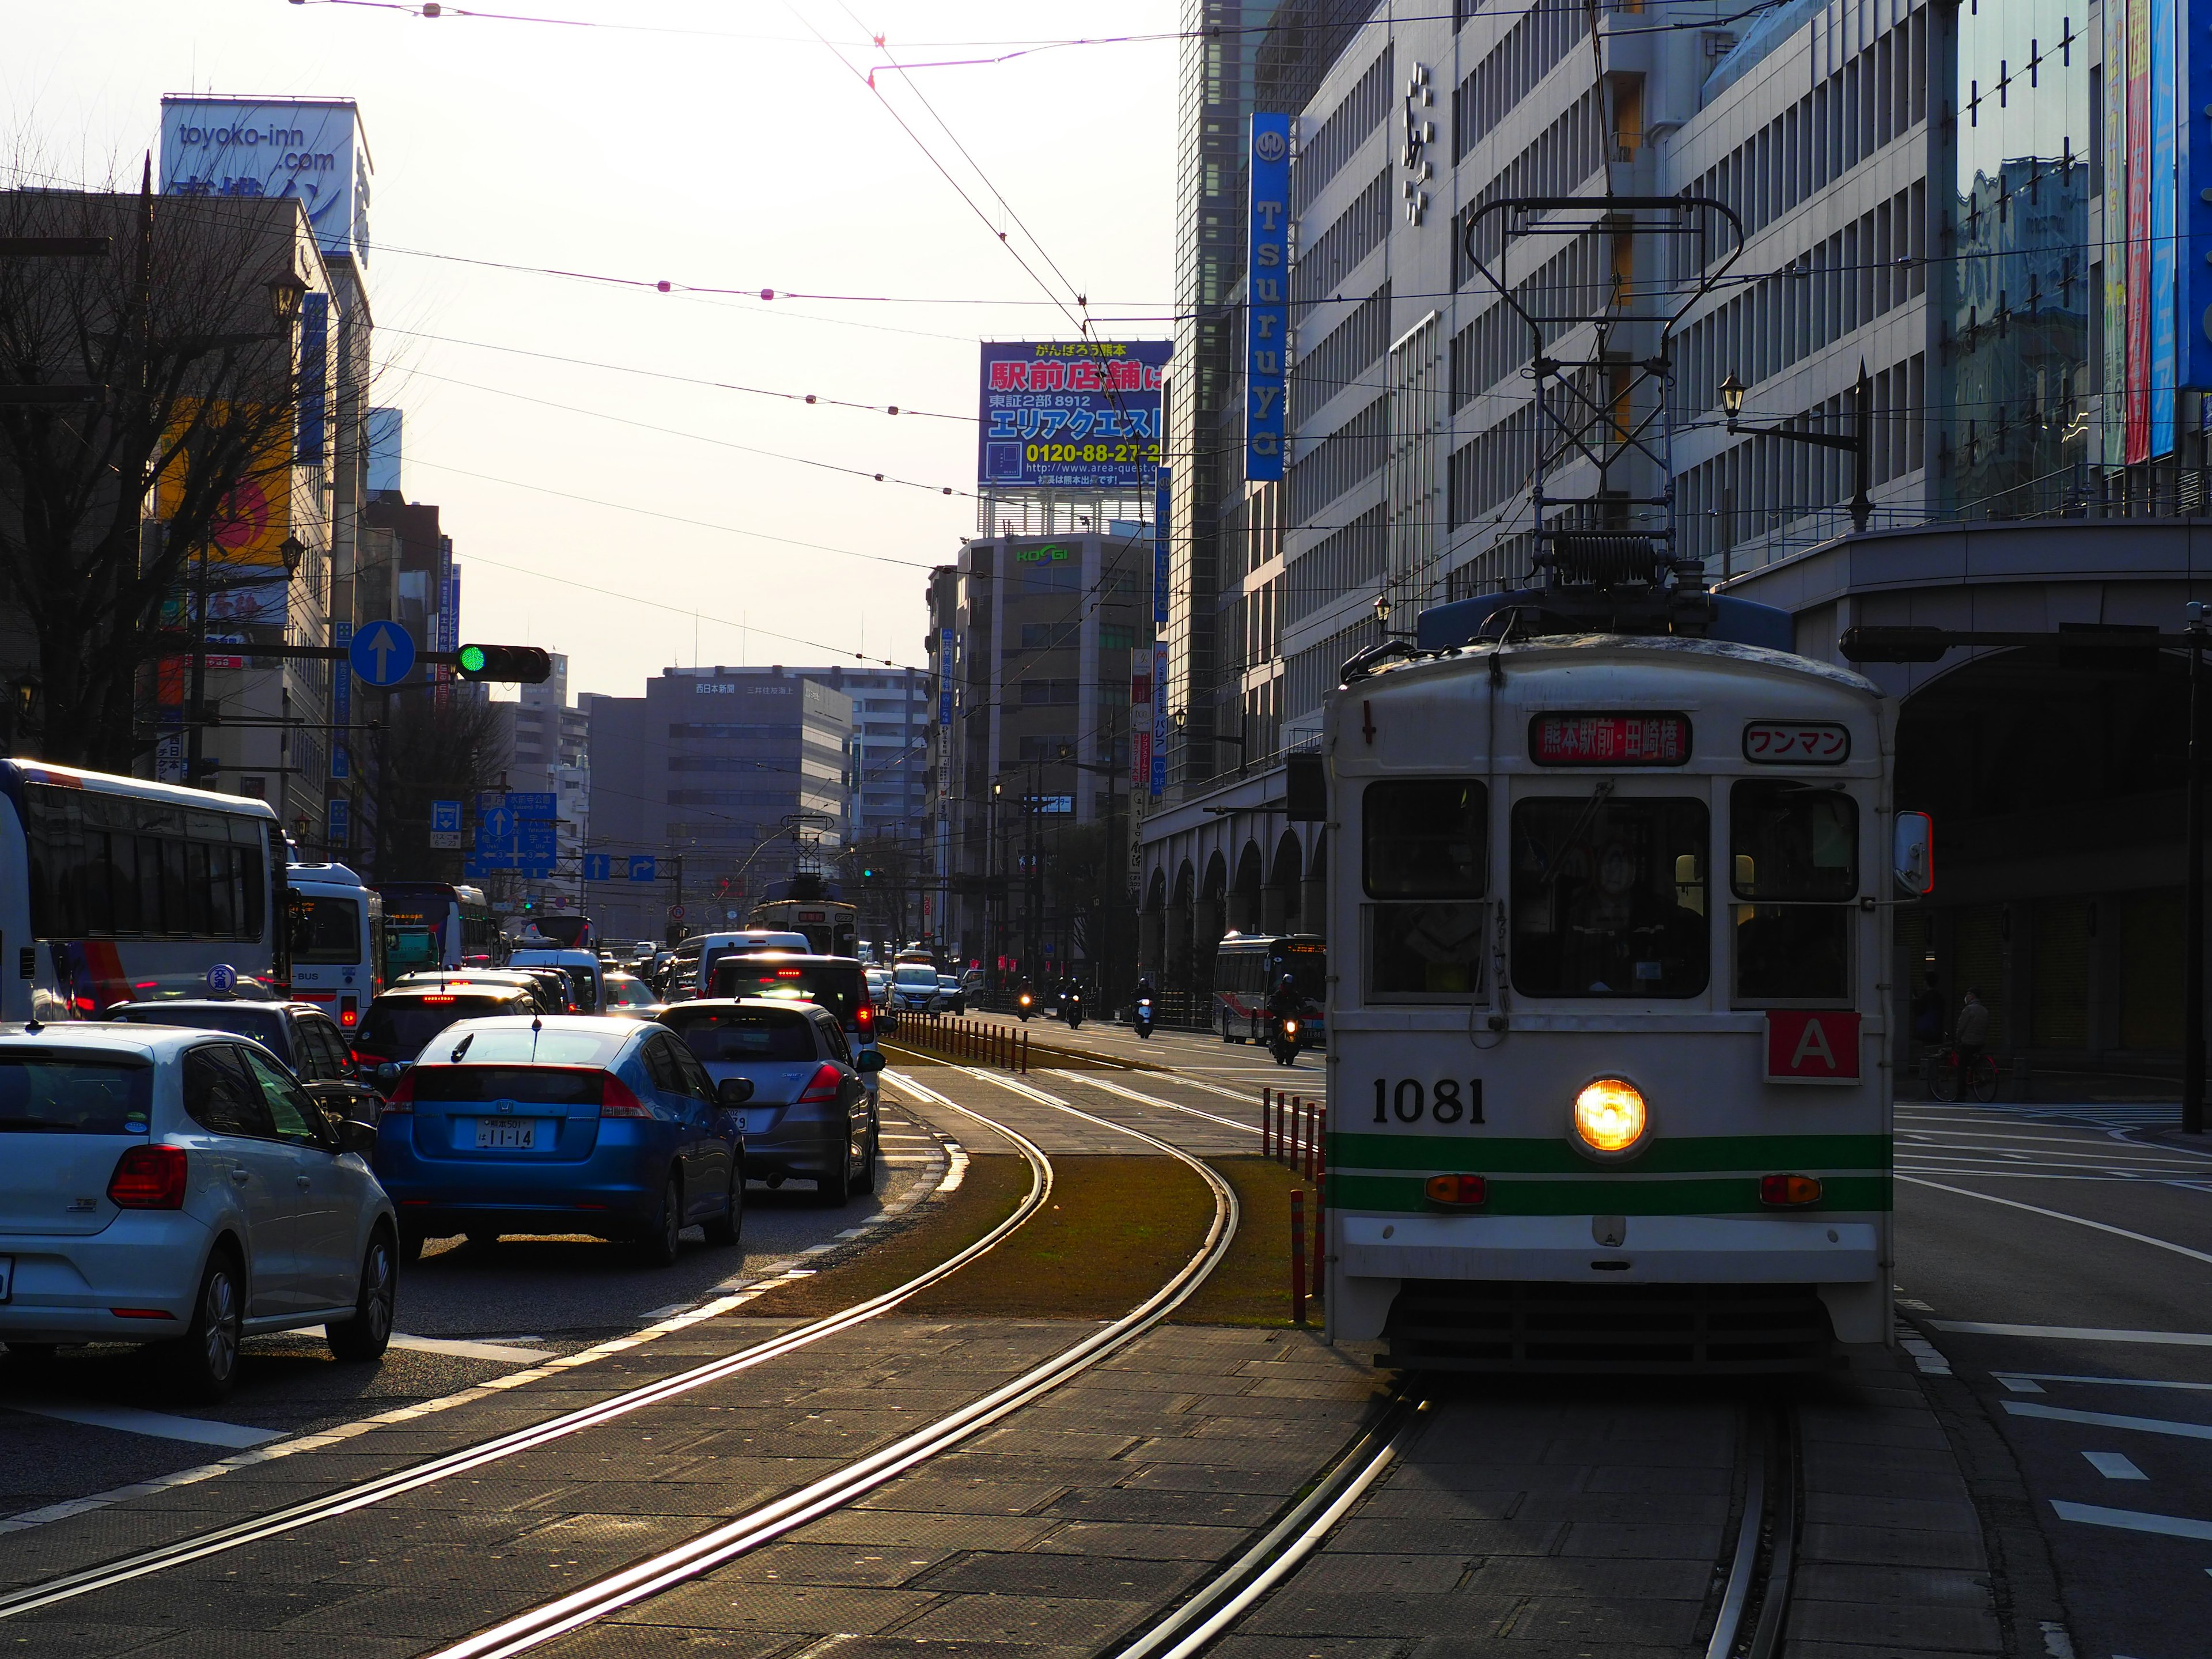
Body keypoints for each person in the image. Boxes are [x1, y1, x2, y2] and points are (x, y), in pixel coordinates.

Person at [1954, 988, 1990, 1075]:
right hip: (1980, 1043)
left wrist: (1957, 1040)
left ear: (1973, 996)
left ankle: (1962, 1088)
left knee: (1962, 1068)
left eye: (1968, 994)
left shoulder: (1968, 1009)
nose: (1966, 997)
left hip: (1968, 1043)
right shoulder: (1985, 1010)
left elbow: (1961, 1027)